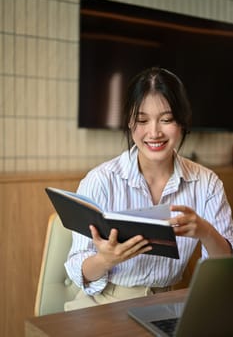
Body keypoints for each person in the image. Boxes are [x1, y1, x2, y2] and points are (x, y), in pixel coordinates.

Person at [64, 67, 233, 310]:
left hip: (168, 304)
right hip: (102, 304)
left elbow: (224, 271)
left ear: (182, 121)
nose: (154, 132)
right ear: (130, 123)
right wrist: (105, 260)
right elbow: (79, 269)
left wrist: (206, 231)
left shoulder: (207, 184)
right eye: (142, 120)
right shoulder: (100, 180)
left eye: (166, 119)